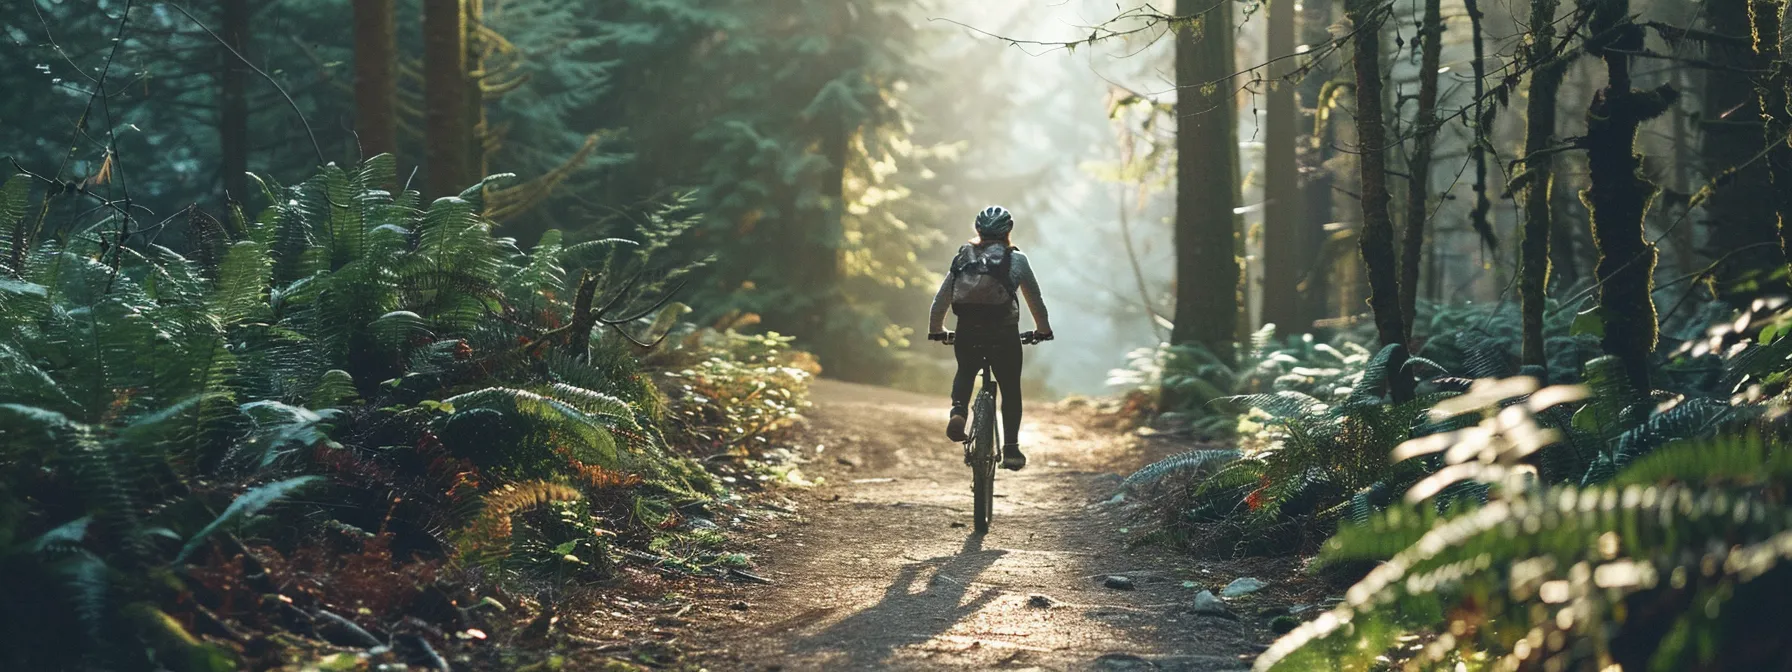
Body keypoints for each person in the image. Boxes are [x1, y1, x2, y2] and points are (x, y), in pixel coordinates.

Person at [927, 205, 1053, 470]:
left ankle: (959, 411)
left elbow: (942, 299)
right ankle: (1011, 449)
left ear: (978, 230)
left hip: (967, 331)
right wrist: (1043, 329)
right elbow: (1035, 300)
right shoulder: (1016, 260)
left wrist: (937, 329)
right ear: (1008, 231)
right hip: (1003, 333)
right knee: (1010, 388)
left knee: (965, 370)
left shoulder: (964, 257)